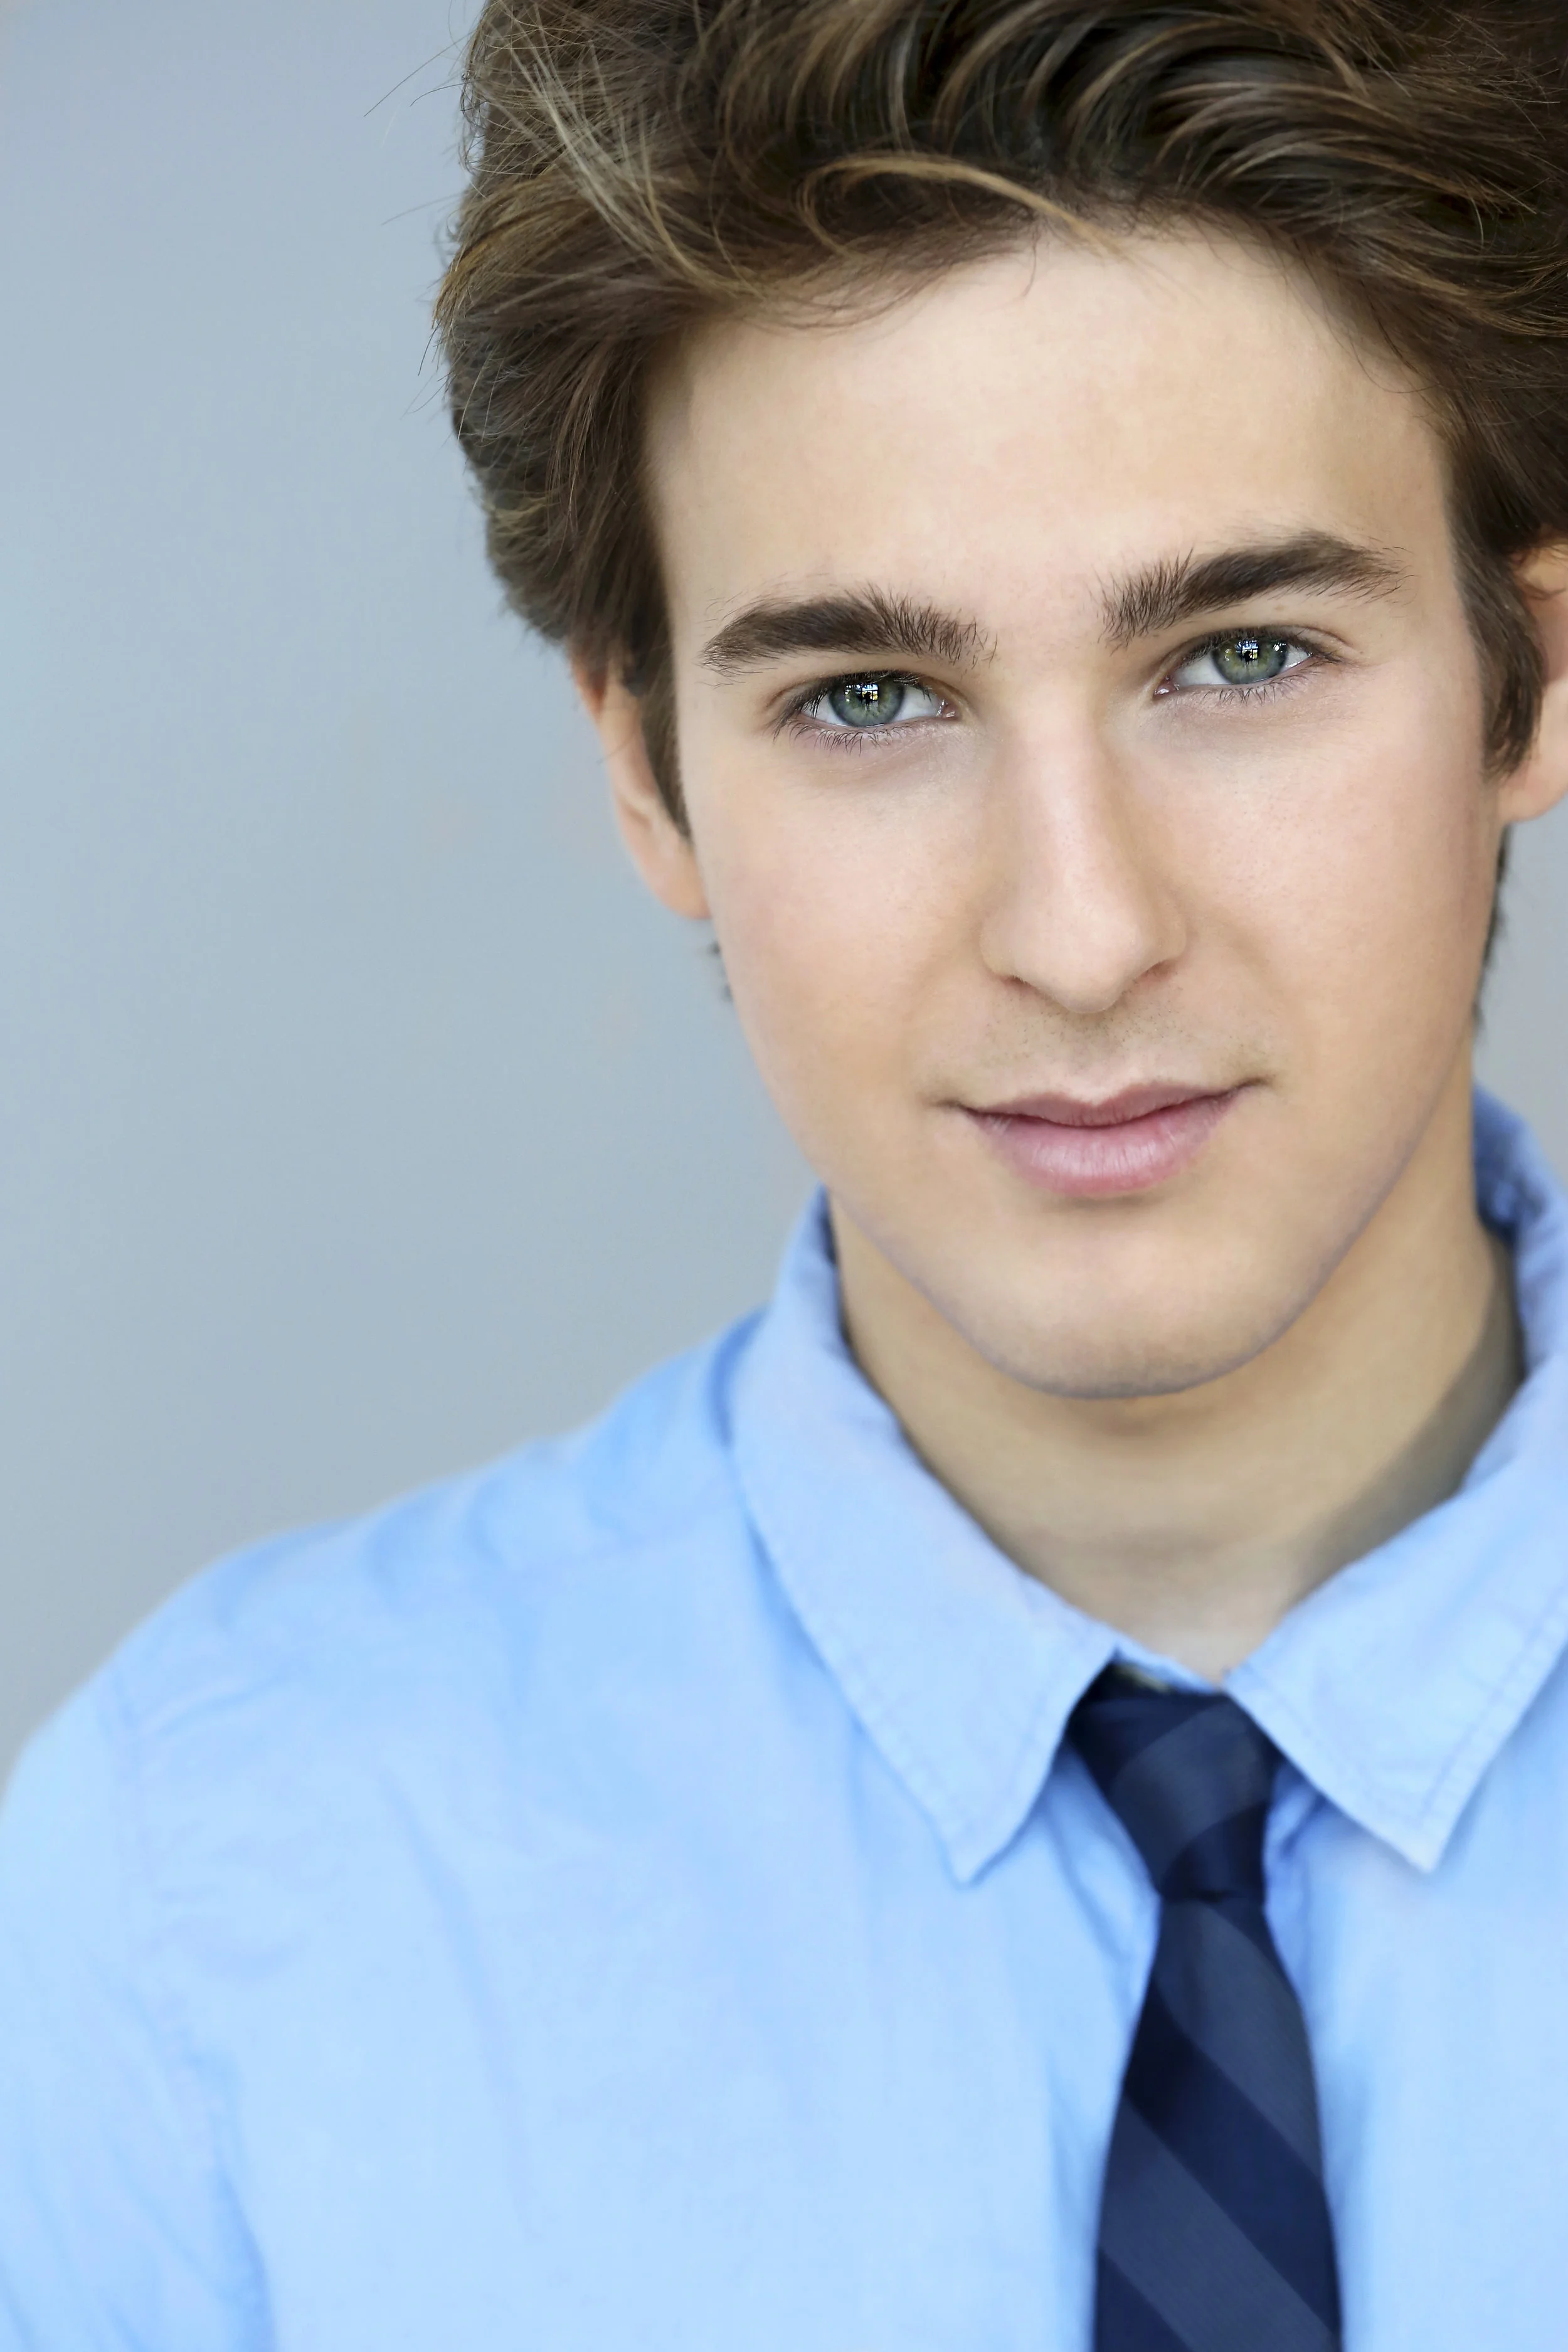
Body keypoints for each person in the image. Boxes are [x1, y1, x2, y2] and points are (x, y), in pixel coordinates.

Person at [4, 1, 1568, 2343]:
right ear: (644, 777)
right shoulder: (210, 1880)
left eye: (1238, 656)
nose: (1078, 928)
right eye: (864, 699)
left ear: (1523, 675)